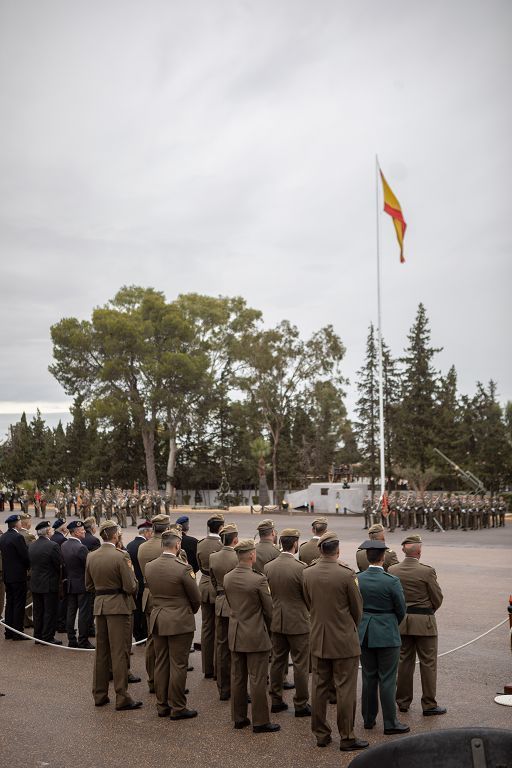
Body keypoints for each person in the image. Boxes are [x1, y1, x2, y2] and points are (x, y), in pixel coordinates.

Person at [302, 531, 368, 752]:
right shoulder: (347, 574)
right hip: (343, 640)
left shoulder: (308, 573)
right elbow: (357, 610)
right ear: (337, 550)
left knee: (319, 688)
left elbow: (307, 602)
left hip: (319, 638)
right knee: (345, 689)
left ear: (320, 549)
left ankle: (321, 734)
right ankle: (347, 736)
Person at [223, 538, 279, 733]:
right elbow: (269, 610)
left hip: (236, 633)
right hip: (255, 634)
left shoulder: (228, 577)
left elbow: (231, 602)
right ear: (252, 555)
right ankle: (260, 721)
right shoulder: (258, 579)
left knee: (238, 678)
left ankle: (239, 718)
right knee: (257, 678)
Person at [145, 527, 201, 719]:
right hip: (179, 620)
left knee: (161, 663)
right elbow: (195, 598)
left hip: (158, 618)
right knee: (178, 664)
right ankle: (178, 706)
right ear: (178, 545)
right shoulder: (183, 568)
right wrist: (189, 611)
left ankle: (162, 705)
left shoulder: (150, 566)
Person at [85, 519, 141, 710]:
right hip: (119, 606)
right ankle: (122, 696)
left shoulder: (91, 556)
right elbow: (130, 586)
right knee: (119, 652)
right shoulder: (121, 556)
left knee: (101, 652)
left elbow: (89, 585)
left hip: (100, 605)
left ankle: (99, 694)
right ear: (115, 534)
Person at [388, 534, 446, 716]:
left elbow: (391, 598)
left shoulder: (392, 569)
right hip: (425, 623)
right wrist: (428, 612)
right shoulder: (427, 571)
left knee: (404, 662)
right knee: (428, 664)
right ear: (419, 552)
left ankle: (403, 701)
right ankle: (429, 704)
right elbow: (437, 598)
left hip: (402, 622)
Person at [357, 539, 409, 735]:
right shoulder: (391, 581)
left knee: (369, 677)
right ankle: (390, 722)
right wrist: (389, 622)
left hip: (365, 632)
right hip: (386, 632)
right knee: (387, 679)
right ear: (383, 557)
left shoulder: (358, 578)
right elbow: (401, 610)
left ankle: (368, 719)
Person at [264, 528, 311, 718]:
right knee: (300, 663)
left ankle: (276, 699)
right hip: (298, 620)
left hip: (277, 618)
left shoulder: (269, 566)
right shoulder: (301, 567)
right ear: (295, 544)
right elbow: (307, 596)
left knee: (277, 661)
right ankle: (300, 703)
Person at [137, 513, 171, 692]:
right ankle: (167, 682)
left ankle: (152, 680)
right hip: (167, 595)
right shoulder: (169, 547)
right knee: (169, 640)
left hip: (149, 594)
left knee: (151, 639)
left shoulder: (143, 547)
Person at [209, 523, 239, 701]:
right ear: (235, 539)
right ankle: (238, 688)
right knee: (238, 648)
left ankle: (224, 688)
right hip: (237, 604)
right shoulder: (238, 556)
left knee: (222, 648)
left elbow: (213, 581)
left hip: (220, 603)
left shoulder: (213, 557)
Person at [196, 513, 225, 679]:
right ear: (221, 528)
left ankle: (207, 667)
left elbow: (200, 566)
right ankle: (217, 668)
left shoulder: (201, 544)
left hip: (204, 584)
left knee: (206, 628)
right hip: (218, 587)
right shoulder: (222, 545)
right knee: (219, 629)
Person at [29, 520, 63, 644]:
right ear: (48, 532)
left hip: (35, 583)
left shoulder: (32, 545)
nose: (52, 532)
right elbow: (58, 564)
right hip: (49, 583)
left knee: (38, 611)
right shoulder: (53, 546)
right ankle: (47, 637)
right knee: (49, 611)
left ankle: (38, 636)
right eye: (51, 530)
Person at [61, 520, 94, 649]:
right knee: (83, 614)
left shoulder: (64, 545)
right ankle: (83, 640)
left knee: (71, 612)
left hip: (70, 583)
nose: (84, 531)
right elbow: (88, 566)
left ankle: (71, 639)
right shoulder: (81, 548)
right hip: (82, 584)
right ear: (75, 533)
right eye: (81, 530)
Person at [0, 513, 30, 640]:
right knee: (18, 604)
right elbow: (25, 556)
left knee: (10, 603)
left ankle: (9, 631)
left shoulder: (3, 537)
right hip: (18, 576)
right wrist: (28, 566)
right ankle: (18, 632)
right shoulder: (17, 537)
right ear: (16, 524)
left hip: (7, 575)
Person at [126, 520, 153, 643]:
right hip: (144, 581)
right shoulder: (145, 546)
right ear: (146, 532)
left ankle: (137, 634)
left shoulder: (130, 545)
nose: (151, 535)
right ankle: (143, 635)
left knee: (136, 610)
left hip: (134, 580)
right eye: (150, 532)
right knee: (144, 610)